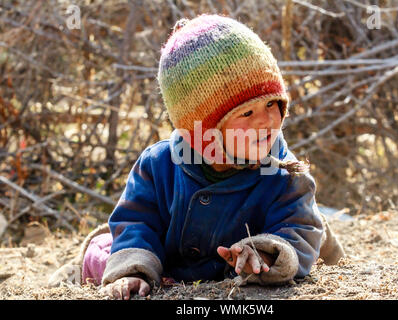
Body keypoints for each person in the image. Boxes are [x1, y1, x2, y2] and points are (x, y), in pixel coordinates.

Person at [48, 14, 344, 299]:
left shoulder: (281, 172)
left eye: (272, 103)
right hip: (164, 261)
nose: (265, 121)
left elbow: (299, 228)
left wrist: (266, 251)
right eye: (247, 112)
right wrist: (133, 270)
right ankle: (96, 271)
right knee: (107, 250)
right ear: (202, 130)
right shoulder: (159, 165)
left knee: (309, 234)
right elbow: (136, 221)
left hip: (231, 268)